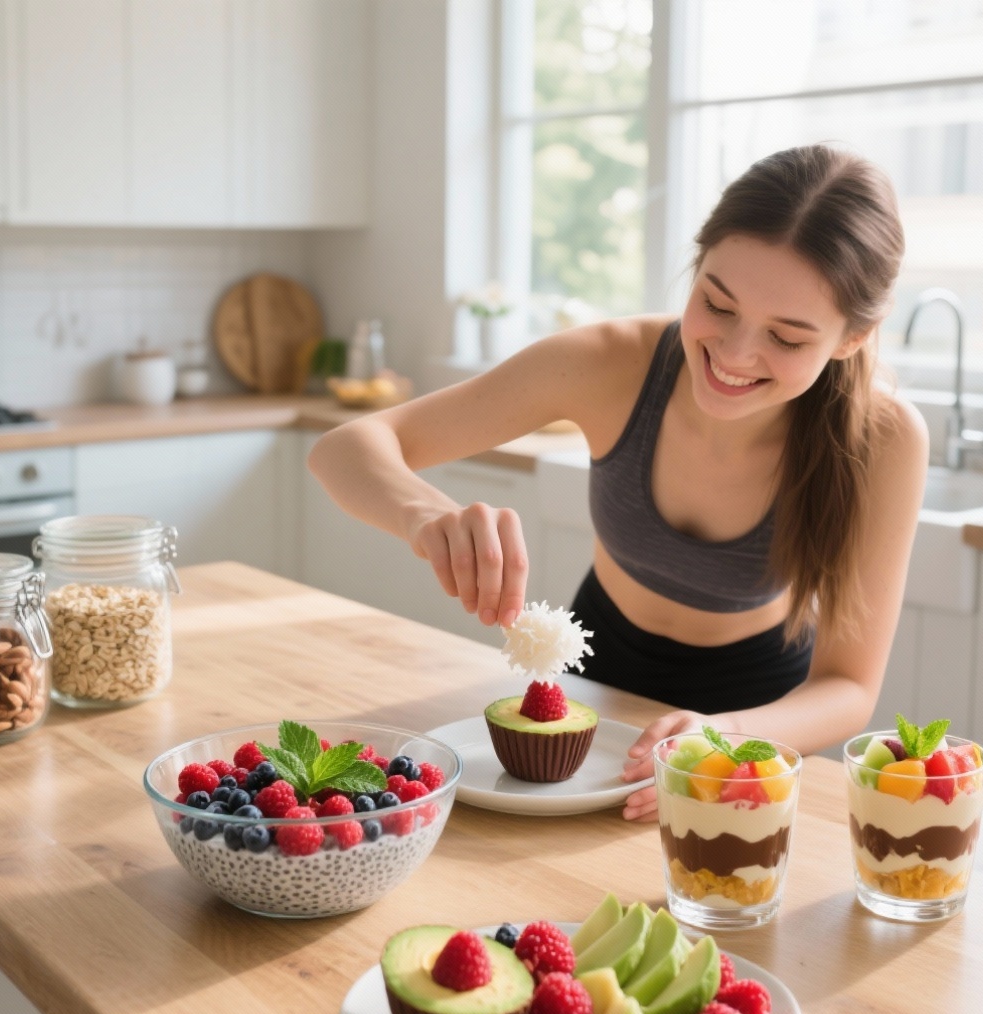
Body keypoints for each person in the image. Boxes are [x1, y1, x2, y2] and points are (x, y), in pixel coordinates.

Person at [308, 144, 928, 821]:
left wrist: (734, 741)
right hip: (591, 681)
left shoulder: (886, 439)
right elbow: (344, 448)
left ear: (852, 338)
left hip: (760, 712)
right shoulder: (611, 364)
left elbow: (849, 686)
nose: (735, 353)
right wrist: (425, 515)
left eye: (786, 338)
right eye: (716, 303)